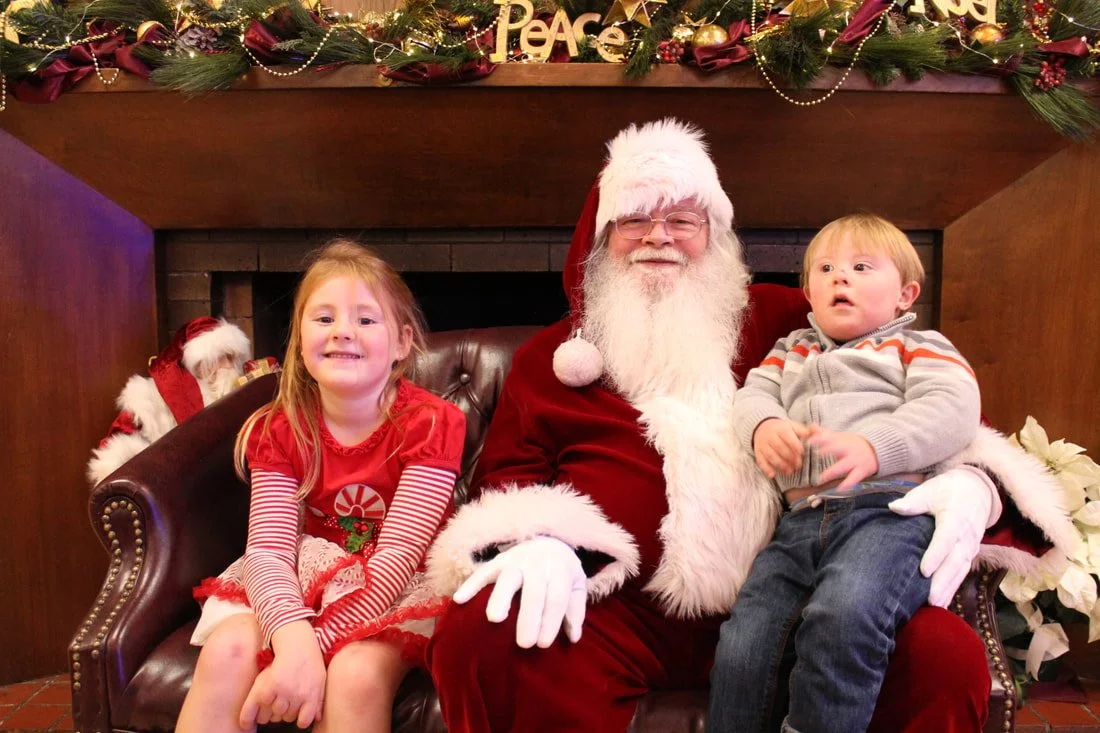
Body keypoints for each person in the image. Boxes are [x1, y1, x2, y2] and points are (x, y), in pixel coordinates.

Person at [423, 118, 1079, 732]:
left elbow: (928, 389)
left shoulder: (789, 318)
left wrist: (972, 482)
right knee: (480, 633)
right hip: (614, 614)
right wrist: (539, 541)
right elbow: (508, 478)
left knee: (943, 655)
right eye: (635, 221)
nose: (659, 236)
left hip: (803, 597)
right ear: (598, 241)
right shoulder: (552, 361)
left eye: (683, 218)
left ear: (715, 236)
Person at [708, 213, 983, 733]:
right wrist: (764, 425)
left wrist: (875, 447)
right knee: (745, 639)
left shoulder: (918, 346)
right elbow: (751, 398)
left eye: (860, 267)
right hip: (799, 524)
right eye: (826, 268)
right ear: (807, 292)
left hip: (888, 513)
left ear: (905, 294)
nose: (840, 277)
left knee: (843, 615)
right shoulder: (790, 352)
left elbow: (953, 408)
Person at [176, 240, 466, 733]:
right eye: (324, 318)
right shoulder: (280, 427)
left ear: (401, 342)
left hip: (393, 585)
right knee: (229, 649)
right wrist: (292, 641)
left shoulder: (432, 423)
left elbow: (398, 556)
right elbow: (268, 552)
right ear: (299, 338)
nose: (343, 333)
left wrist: (313, 652)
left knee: (353, 675)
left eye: (366, 320)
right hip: (303, 575)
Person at [87, 316, 252, 485]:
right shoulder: (149, 399)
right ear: (199, 364)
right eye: (222, 358)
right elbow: (116, 446)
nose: (229, 366)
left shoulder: (238, 394)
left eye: (232, 358)